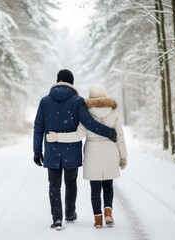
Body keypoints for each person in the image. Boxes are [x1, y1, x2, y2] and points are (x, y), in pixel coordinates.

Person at [33, 70, 117, 231]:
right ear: (71, 83)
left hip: (51, 151)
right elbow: (89, 123)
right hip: (72, 150)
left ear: (57, 81)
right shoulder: (78, 101)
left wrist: (37, 150)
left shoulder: (45, 101)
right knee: (71, 183)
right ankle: (70, 213)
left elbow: (38, 127)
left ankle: (57, 219)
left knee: (54, 185)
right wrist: (110, 133)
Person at [46, 83, 127, 228]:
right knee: (108, 184)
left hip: (92, 152)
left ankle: (97, 220)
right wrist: (123, 156)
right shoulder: (114, 112)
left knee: (95, 187)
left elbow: (78, 135)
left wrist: (57, 137)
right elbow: (119, 136)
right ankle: (108, 213)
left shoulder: (86, 113)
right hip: (110, 150)